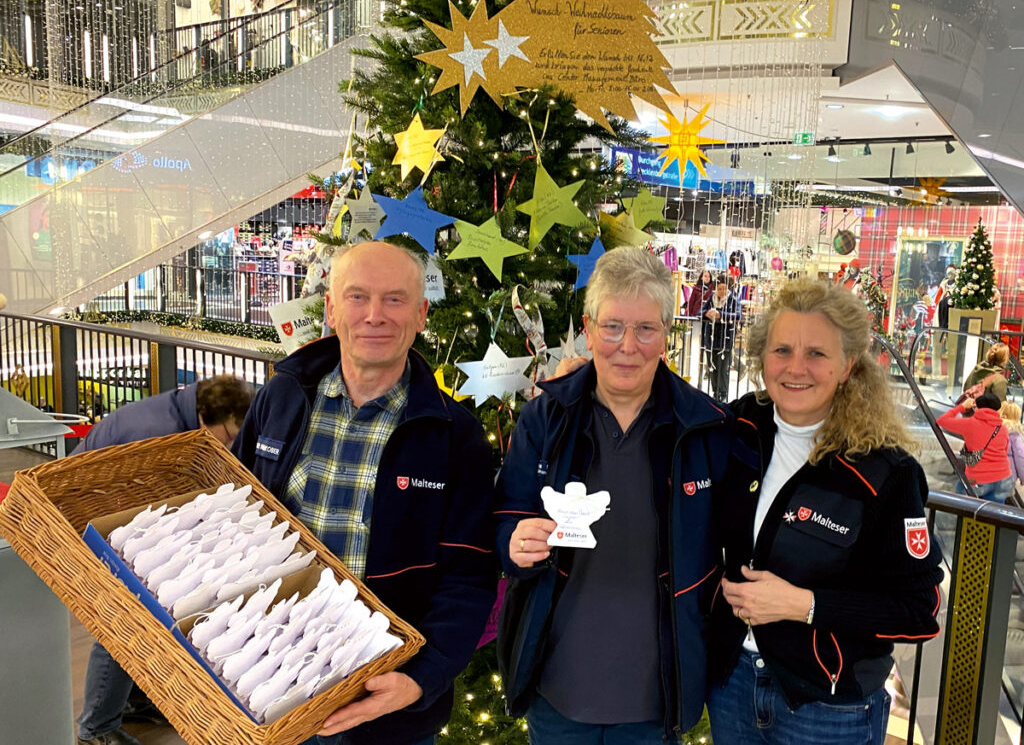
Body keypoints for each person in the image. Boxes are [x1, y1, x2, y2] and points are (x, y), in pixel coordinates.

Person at [232, 241, 496, 745]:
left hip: (384, 707)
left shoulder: (455, 436)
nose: (375, 315)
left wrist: (420, 679)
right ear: (331, 309)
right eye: (358, 297)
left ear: (421, 315)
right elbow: (233, 515)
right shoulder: (282, 397)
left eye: (395, 299)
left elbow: (469, 577)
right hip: (265, 684)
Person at [494, 246, 733, 744]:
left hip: (656, 699)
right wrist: (514, 543)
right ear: (588, 328)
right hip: (556, 692)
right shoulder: (545, 420)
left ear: (666, 334)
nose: (628, 346)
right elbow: (504, 519)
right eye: (612, 327)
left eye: (645, 329)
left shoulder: (704, 429)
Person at [707, 279, 943, 745]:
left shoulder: (884, 471)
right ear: (762, 358)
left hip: (828, 708)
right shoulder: (737, 428)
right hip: (732, 684)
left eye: (816, 353)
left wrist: (806, 605)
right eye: (782, 350)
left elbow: (919, 610)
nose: (796, 368)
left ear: (847, 365)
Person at [76, 374, 253, 745]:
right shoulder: (158, 433)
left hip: (116, 518)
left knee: (151, 615)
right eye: (228, 436)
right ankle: (96, 730)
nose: (229, 446)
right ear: (208, 417)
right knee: (125, 620)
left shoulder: (181, 414)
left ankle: (132, 701)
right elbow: (131, 500)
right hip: (92, 521)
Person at [938, 392, 1013, 501]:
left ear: (977, 408)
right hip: (1002, 477)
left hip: (977, 478)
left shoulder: (969, 424)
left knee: (962, 502)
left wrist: (962, 406)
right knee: (993, 511)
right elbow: (1005, 451)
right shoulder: (1003, 429)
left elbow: (941, 420)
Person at [701, 277, 740, 402]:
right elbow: (699, 312)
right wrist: (706, 314)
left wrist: (721, 315)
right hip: (711, 339)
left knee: (723, 369)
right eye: (719, 289)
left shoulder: (733, 299)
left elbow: (738, 315)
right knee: (712, 367)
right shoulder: (711, 299)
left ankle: (723, 393)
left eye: (724, 288)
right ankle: (715, 392)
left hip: (725, 340)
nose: (722, 291)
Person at [1000, 401, 1024, 495]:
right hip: (1007, 475)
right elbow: (1020, 457)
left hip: (987, 474)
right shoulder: (1015, 434)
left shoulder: (992, 428)